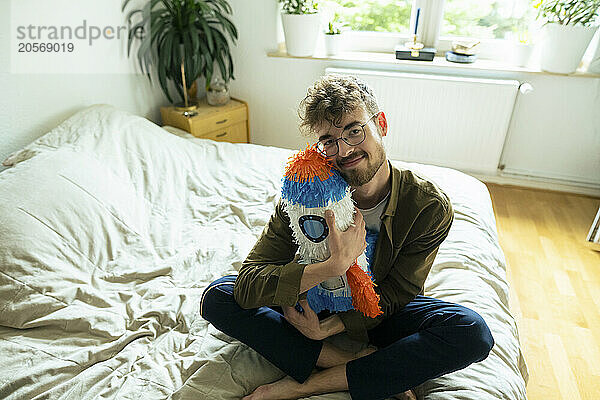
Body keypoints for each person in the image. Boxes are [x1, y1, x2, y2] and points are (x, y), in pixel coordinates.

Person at [200, 74, 494, 400]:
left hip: (380, 314)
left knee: (472, 332)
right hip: (312, 303)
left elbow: (399, 292)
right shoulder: (302, 200)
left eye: (355, 130)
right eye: (329, 140)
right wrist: (329, 267)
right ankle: (344, 361)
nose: (345, 150)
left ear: (380, 123)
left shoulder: (427, 206)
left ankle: (315, 381)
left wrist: (331, 329)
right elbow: (247, 283)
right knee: (219, 295)